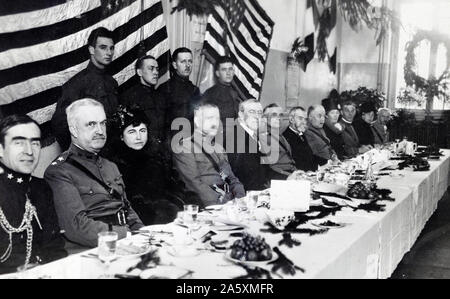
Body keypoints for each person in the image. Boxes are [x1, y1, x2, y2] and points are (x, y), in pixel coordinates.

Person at [45, 99, 144, 248]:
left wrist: (143, 233)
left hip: (126, 242)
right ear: (73, 130)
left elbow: (126, 209)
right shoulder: (60, 171)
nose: (100, 130)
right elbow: (77, 227)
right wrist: (127, 235)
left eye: (103, 123)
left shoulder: (110, 166)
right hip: (92, 249)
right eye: (91, 124)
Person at [0, 115, 67, 274]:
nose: (29, 151)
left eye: (35, 143)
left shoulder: (40, 187)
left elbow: (54, 248)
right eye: (19, 142)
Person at [107, 105, 182, 225]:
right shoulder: (115, 165)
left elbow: (173, 188)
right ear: (121, 136)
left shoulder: (156, 157)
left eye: (142, 131)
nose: (139, 137)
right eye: (132, 132)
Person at [51, 27, 119, 151]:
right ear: (91, 50)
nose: (109, 53)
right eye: (103, 47)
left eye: (111, 48)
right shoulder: (77, 83)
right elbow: (59, 126)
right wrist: (81, 153)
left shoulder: (112, 82)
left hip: (113, 154)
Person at [173, 104, 245, 207]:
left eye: (217, 118)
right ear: (197, 121)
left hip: (229, 202)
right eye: (210, 118)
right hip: (208, 204)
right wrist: (223, 203)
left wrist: (241, 198)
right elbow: (193, 183)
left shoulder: (219, 148)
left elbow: (232, 179)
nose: (215, 123)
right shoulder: (185, 147)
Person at [120, 55, 167, 143]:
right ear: (139, 72)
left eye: (157, 69)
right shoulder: (129, 96)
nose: (156, 72)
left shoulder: (161, 96)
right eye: (151, 68)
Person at [226, 99, 269, 191]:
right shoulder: (234, 135)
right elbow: (237, 175)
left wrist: (289, 178)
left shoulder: (254, 136)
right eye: (252, 112)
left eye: (259, 113)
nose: (257, 116)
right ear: (241, 115)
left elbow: (265, 169)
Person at [158, 47, 201, 132]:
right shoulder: (164, 88)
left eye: (190, 61)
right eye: (183, 61)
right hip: (172, 140)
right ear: (174, 65)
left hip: (191, 140)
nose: (188, 65)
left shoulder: (195, 90)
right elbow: (160, 123)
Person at [202, 56, 241, 126]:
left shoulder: (234, 93)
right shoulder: (210, 94)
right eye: (224, 70)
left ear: (233, 72)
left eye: (230, 69)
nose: (228, 73)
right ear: (217, 73)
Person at [262, 104, 296, 180]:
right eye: (274, 115)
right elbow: (269, 167)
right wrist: (289, 176)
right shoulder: (264, 138)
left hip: (290, 174)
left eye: (281, 115)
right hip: (279, 178)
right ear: (265, 118)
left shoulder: (280, 135)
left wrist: (297, 172)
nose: (278, 118)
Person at [283, 107, 318, 172]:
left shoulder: (301, 134)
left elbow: (310, 156)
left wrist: (326, 162)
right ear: (291, 119)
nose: (304, 122)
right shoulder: (286, 137)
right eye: (300, 118)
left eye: (305, 119)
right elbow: (297, 163)